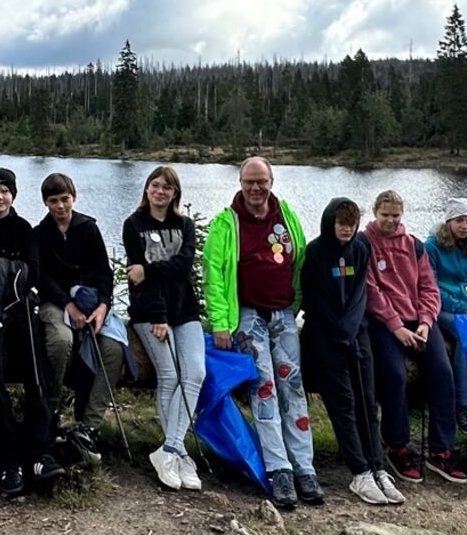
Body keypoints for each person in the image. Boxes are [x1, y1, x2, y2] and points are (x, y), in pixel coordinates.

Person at [201, 156, 321, 508]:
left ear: (271, 182)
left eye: (261, 181)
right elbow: (213, 275)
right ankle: (278, 468)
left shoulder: (286, 216)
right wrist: (220, 322)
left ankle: (304, 467)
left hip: (283, 314)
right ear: (240, 183)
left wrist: (295, 304)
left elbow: (299, 260)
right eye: (249, 182)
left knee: (293, 387)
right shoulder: (227, 223)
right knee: (264, 388)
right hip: (248, 316)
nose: (255, 188)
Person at [0, 168, 59, 500]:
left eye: (5, 191)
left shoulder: (23, 229)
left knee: (37, 371)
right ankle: (8, 459)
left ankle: (39, 452)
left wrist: (1, 275)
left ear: (13, 195)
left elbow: (33, 274)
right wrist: (5, 278)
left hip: (20, 312)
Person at [300, 198, 403, 506]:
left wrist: (350, 329)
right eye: (341, 223)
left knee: (367, 404)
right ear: (330, 223)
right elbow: (314, 299)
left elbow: (360, 292)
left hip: (356, 335)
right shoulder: (316, 252)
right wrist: (338, 332)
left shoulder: (360, 248)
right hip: (327, 338)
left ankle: (378, 467)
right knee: (343, 405)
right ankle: (359, 471)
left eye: (351, 224)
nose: (346, 229)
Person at [363, 189, 467, 483]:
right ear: (375, 212)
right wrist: (396, 326)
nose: (390, 220)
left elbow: (429, 287)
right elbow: (371, 291)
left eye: (395, 215)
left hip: (418, 320)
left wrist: (425, 322)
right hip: (384, 323)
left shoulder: (414, 245)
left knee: (442, 372)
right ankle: (397, 445)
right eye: (385, 215)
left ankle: (441, 450)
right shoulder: (364, 243)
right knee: (394, 375)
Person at [34, 172, 128, 466]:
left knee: (113, 349)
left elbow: (104, 272)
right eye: (54, 201)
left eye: (65, 199)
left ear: (73, 197)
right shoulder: (40, 234)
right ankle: (50, 412)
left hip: (92, 301)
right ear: (46, 203)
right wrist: (68, 304)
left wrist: (103, 306)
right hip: (55, 302)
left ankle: (88, 426)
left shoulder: (88, 228)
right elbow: (42, 278)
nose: (60, 206)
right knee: (61, 341)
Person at [123, 166, 205, 491]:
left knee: (195, 373)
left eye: (166, 187)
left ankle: (170, 449)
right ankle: (177, 453)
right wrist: (159, 315)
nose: (160, 191)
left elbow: (184, 266)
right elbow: (136, 276)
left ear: (175, 194)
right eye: (155, 185)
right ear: (147, 189)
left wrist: (149, 268)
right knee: (170, 376)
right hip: (149, 312)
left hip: (185, 309)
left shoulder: (185, 225)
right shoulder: (134, 225)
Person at [423, 199, 467, 440]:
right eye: (459, 220)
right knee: (466, 334)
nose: (464, 226)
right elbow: (430, 285)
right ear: (449, 221)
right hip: (438, 305)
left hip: (465, 305)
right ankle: (462, 405)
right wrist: (462, 308)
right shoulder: (432, 245)